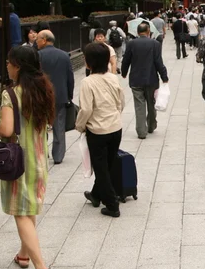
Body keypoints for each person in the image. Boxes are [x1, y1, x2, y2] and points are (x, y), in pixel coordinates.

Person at [0, 45, 55, 269]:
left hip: (18, 162)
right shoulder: (42, 89)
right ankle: (23, 254)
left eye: (9, 62)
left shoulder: (11, 94)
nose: (6, 65)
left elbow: (6, 130)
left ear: (17, 66)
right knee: (29, 210)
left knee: (20, 212)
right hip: (38, 158)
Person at [76, 43, 124, 218]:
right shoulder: (113, 78)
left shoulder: (87, 82)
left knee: (101, 168)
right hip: (115, 127)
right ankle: (96, 195)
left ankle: (112, 204)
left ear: (88, 63)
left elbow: (86, 110)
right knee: (107, 164)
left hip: (97, 131)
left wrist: (79, 125)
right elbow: (121, 102)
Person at [121, 22, 169, 139]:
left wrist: (124, 72)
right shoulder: (155, 44)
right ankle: (151, 125)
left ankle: (141, 132)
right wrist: (164, 77)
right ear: (148, 32)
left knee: (139, 106)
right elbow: (159, 62)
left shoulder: (131, 44)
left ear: (137, 32)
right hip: (151, 79)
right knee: (151, 103)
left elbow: (126, 60)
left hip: (136, 79)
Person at [37, 30, 75, 165]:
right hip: (60, 95)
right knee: (59, 125)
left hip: (41, 96)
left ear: (44, 40)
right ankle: (58, 156)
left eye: (38, 39)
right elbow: (70, 77)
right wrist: (69, 94)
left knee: (40, 124)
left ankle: (41, 152)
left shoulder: (37, 56)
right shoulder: (64, 55)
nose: (36, 42)